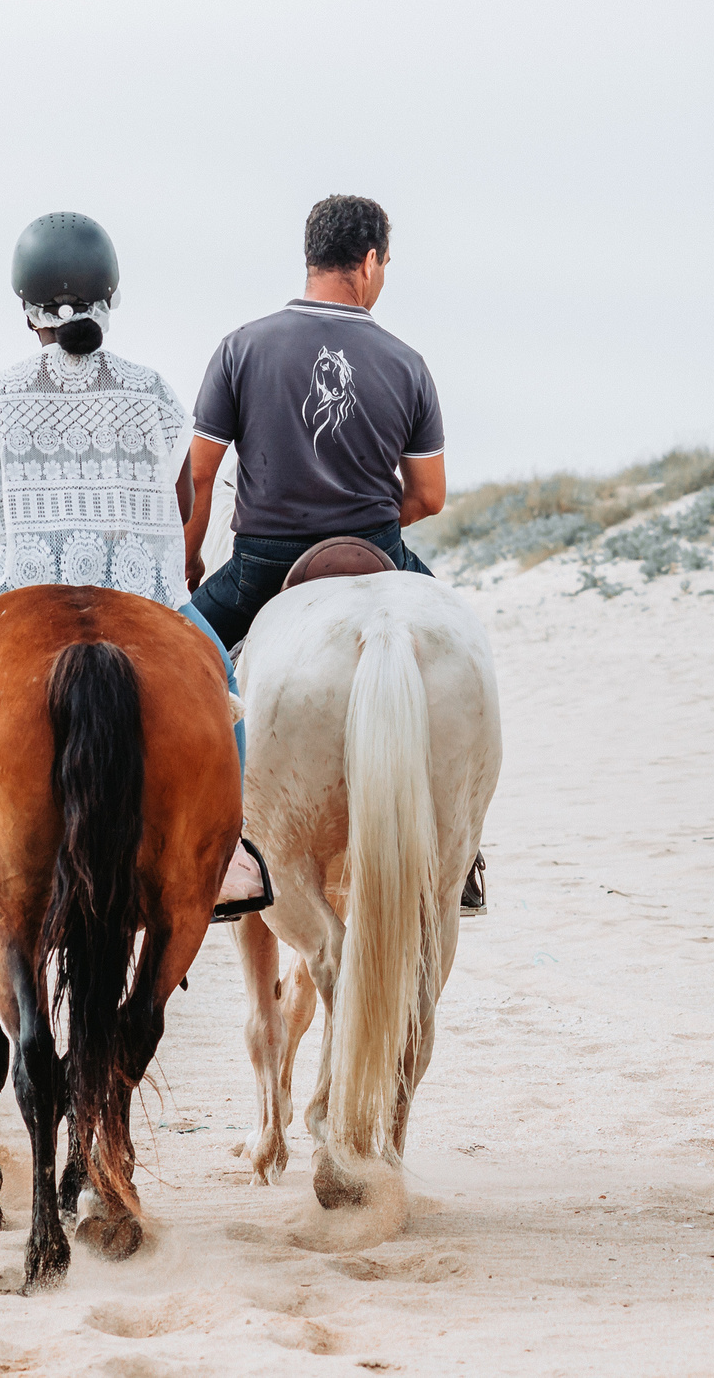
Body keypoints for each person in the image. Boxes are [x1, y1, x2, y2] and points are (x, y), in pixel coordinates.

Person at [0, 212, 270, 918]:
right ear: (111, 297)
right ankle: (232, 852)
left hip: (21, 584)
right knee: (219, 673)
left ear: (25, 308)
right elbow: (184, 496)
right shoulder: (154, 391)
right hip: (144, 589)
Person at [181, 194, 489, 915]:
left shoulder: (242, 346)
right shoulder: (406, 362)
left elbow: (198, 474)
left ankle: (193, 832)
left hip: (261, 565)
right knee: (465, 648)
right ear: (372, 261)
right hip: (376, 550)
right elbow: (431, 495)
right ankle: (465, 853)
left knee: (176, 663)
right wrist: (376, 515)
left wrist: (191, 562)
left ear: (311, 256)